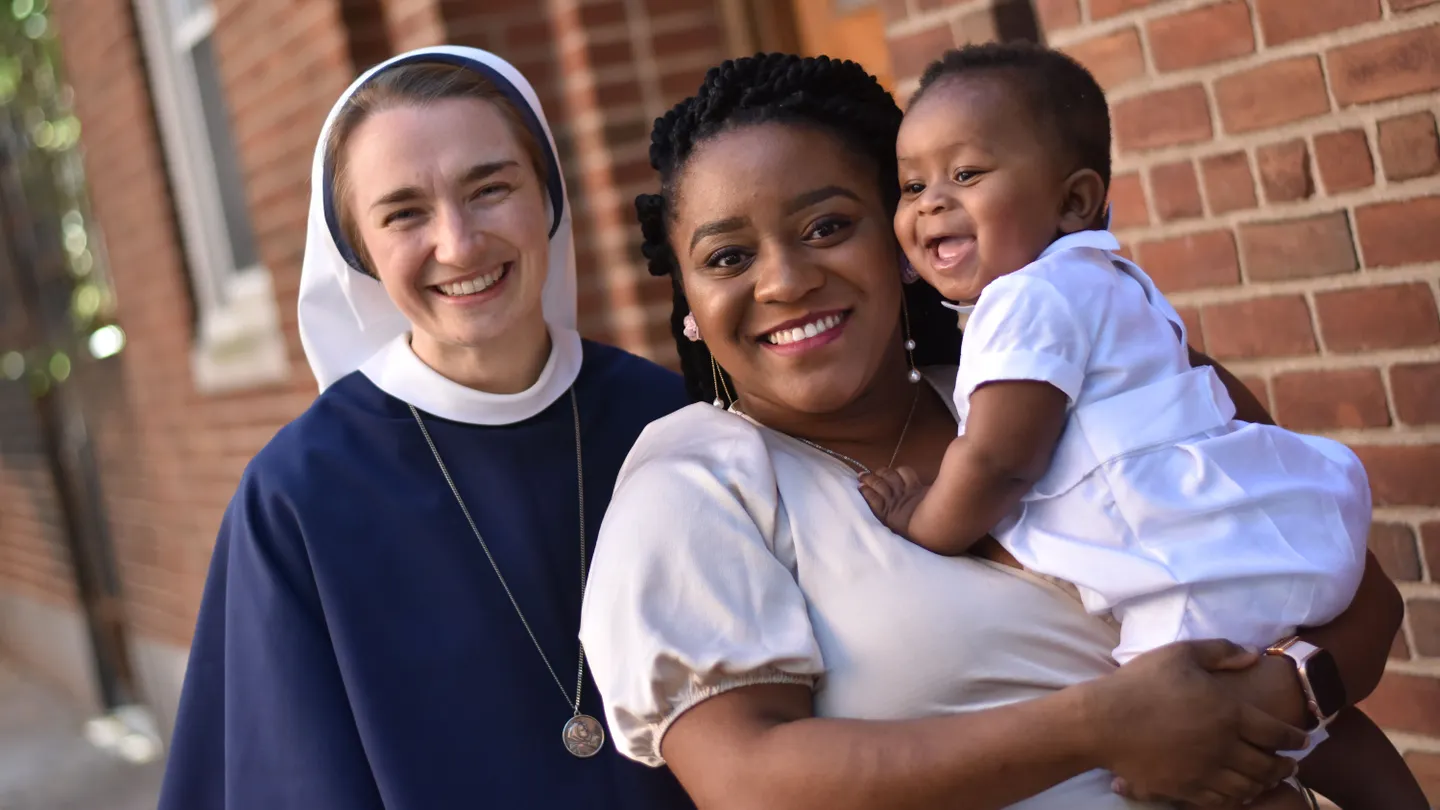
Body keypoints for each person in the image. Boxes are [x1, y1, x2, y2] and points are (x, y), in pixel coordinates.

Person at [578, 52, 1406, 809]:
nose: (786, 281)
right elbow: (749, 783)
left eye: (828, 226)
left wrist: (1282, 695)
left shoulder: (1063, 367)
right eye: (728, 258)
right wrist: (1095, 727)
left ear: (903, 239)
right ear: (688, 301)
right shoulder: (694, 485)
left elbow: (1360, 594)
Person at [856, 43, 1423, 809]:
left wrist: (921, 525)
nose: (929, 203)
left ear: (1074, 200)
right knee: (1324, 730)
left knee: (1199, 746)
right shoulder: (1109, 277)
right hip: (1245, 532)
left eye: (966, 174)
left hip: (1181, 575)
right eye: (912, 184)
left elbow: (997, 460)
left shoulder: (1023, 301)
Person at [156, 46, 694, 810]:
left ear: (546, 196)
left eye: (490, 188)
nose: (459, 242)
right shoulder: (300, 495)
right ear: (358, 249)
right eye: (405, 212)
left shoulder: (667, 421)